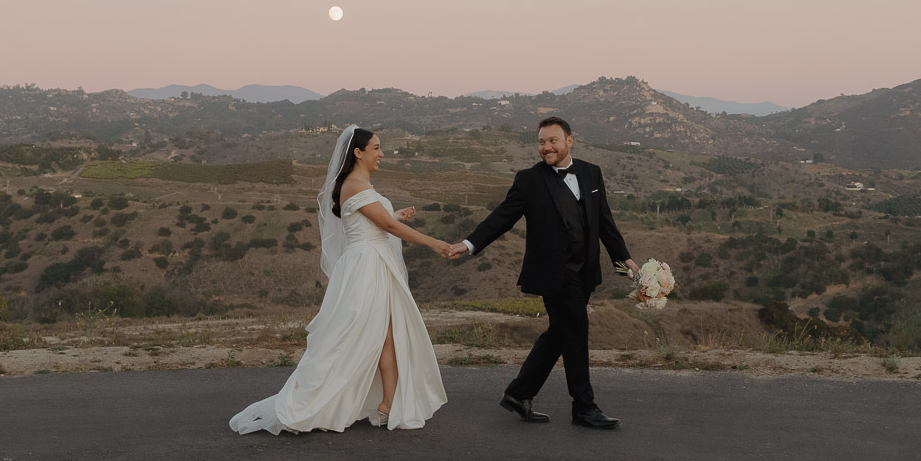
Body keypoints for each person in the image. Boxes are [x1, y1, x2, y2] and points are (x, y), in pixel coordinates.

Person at [230, 126, 458, 434]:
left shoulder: (359, 184)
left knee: (386, 335)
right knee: (357, 336)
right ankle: (325, 401)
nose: (382, 154)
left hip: (375, 264)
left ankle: (388, 403)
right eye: (376, 148)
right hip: (367, 268)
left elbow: (375, 221)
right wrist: (433, 243)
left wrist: (395, 214)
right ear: (358, 152)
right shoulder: (355, 185)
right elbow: (387, 227)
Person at [453, 116, 637, 429]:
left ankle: (518, 393)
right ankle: (584, 407)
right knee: (576, 331)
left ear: (569, 141)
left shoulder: (591, 172)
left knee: (560, 333)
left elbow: (605, 221)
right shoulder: (529, 179)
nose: (546, 147)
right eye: (541, 142)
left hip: (585, 270)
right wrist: (469, 244)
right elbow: (502, 217)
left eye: (552, 141)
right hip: (554, 273)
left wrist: (624, 258)